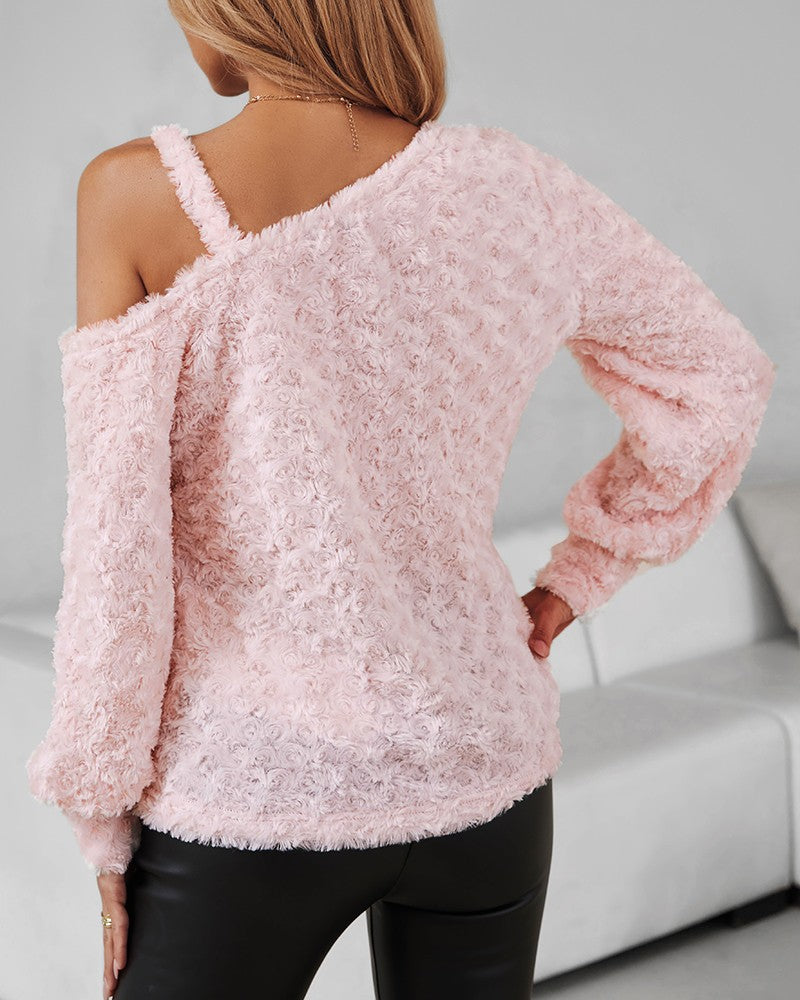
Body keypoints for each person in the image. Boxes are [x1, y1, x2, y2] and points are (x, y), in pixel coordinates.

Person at [25, 2, 776, 999]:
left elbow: (116, 549)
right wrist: (575, 579)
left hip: (253, 793)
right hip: (485, 774)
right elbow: (719, 378)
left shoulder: (136, 192)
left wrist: (101, 817)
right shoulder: (514, 186)